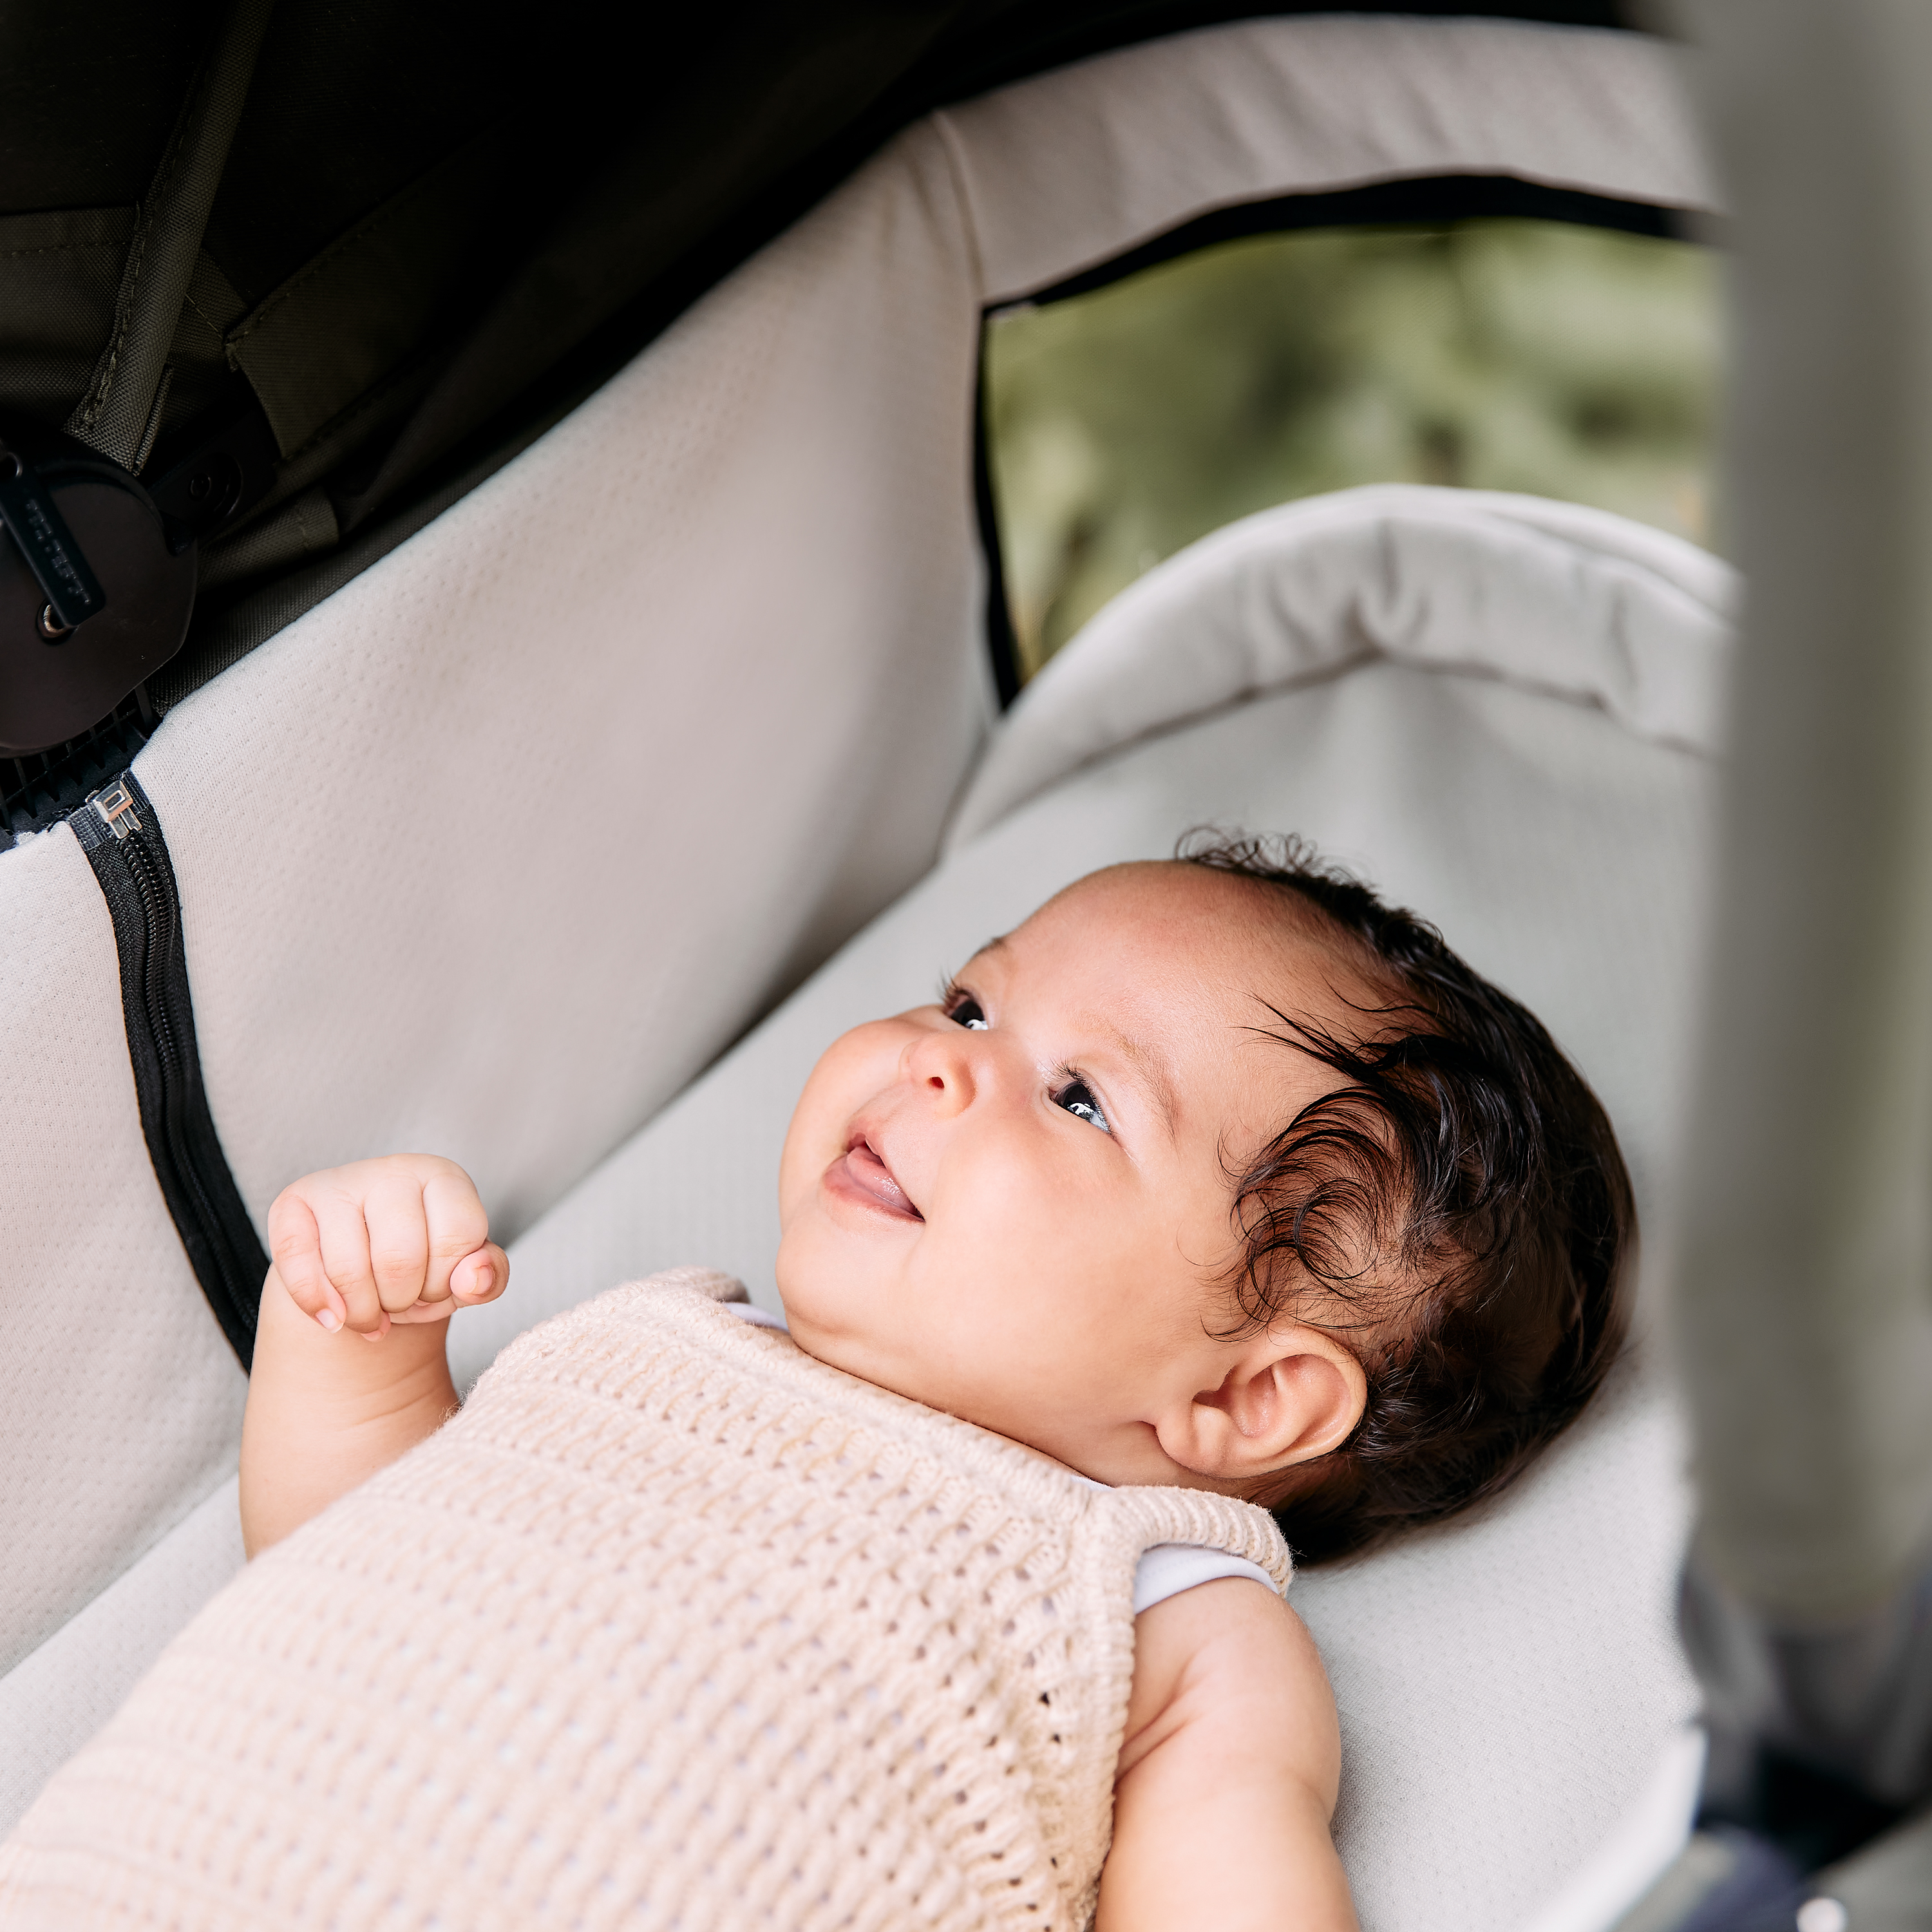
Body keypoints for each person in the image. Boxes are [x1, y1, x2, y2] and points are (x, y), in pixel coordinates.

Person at [6, 836, 1633, 1932]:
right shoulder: (653, 1346)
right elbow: (343, 1570)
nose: (940, 1055)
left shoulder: (1157, 1605)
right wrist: (358, 1340)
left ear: (1246, 1404)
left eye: (1079, 1098)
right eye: (973, 1001)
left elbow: (1225, 1877)